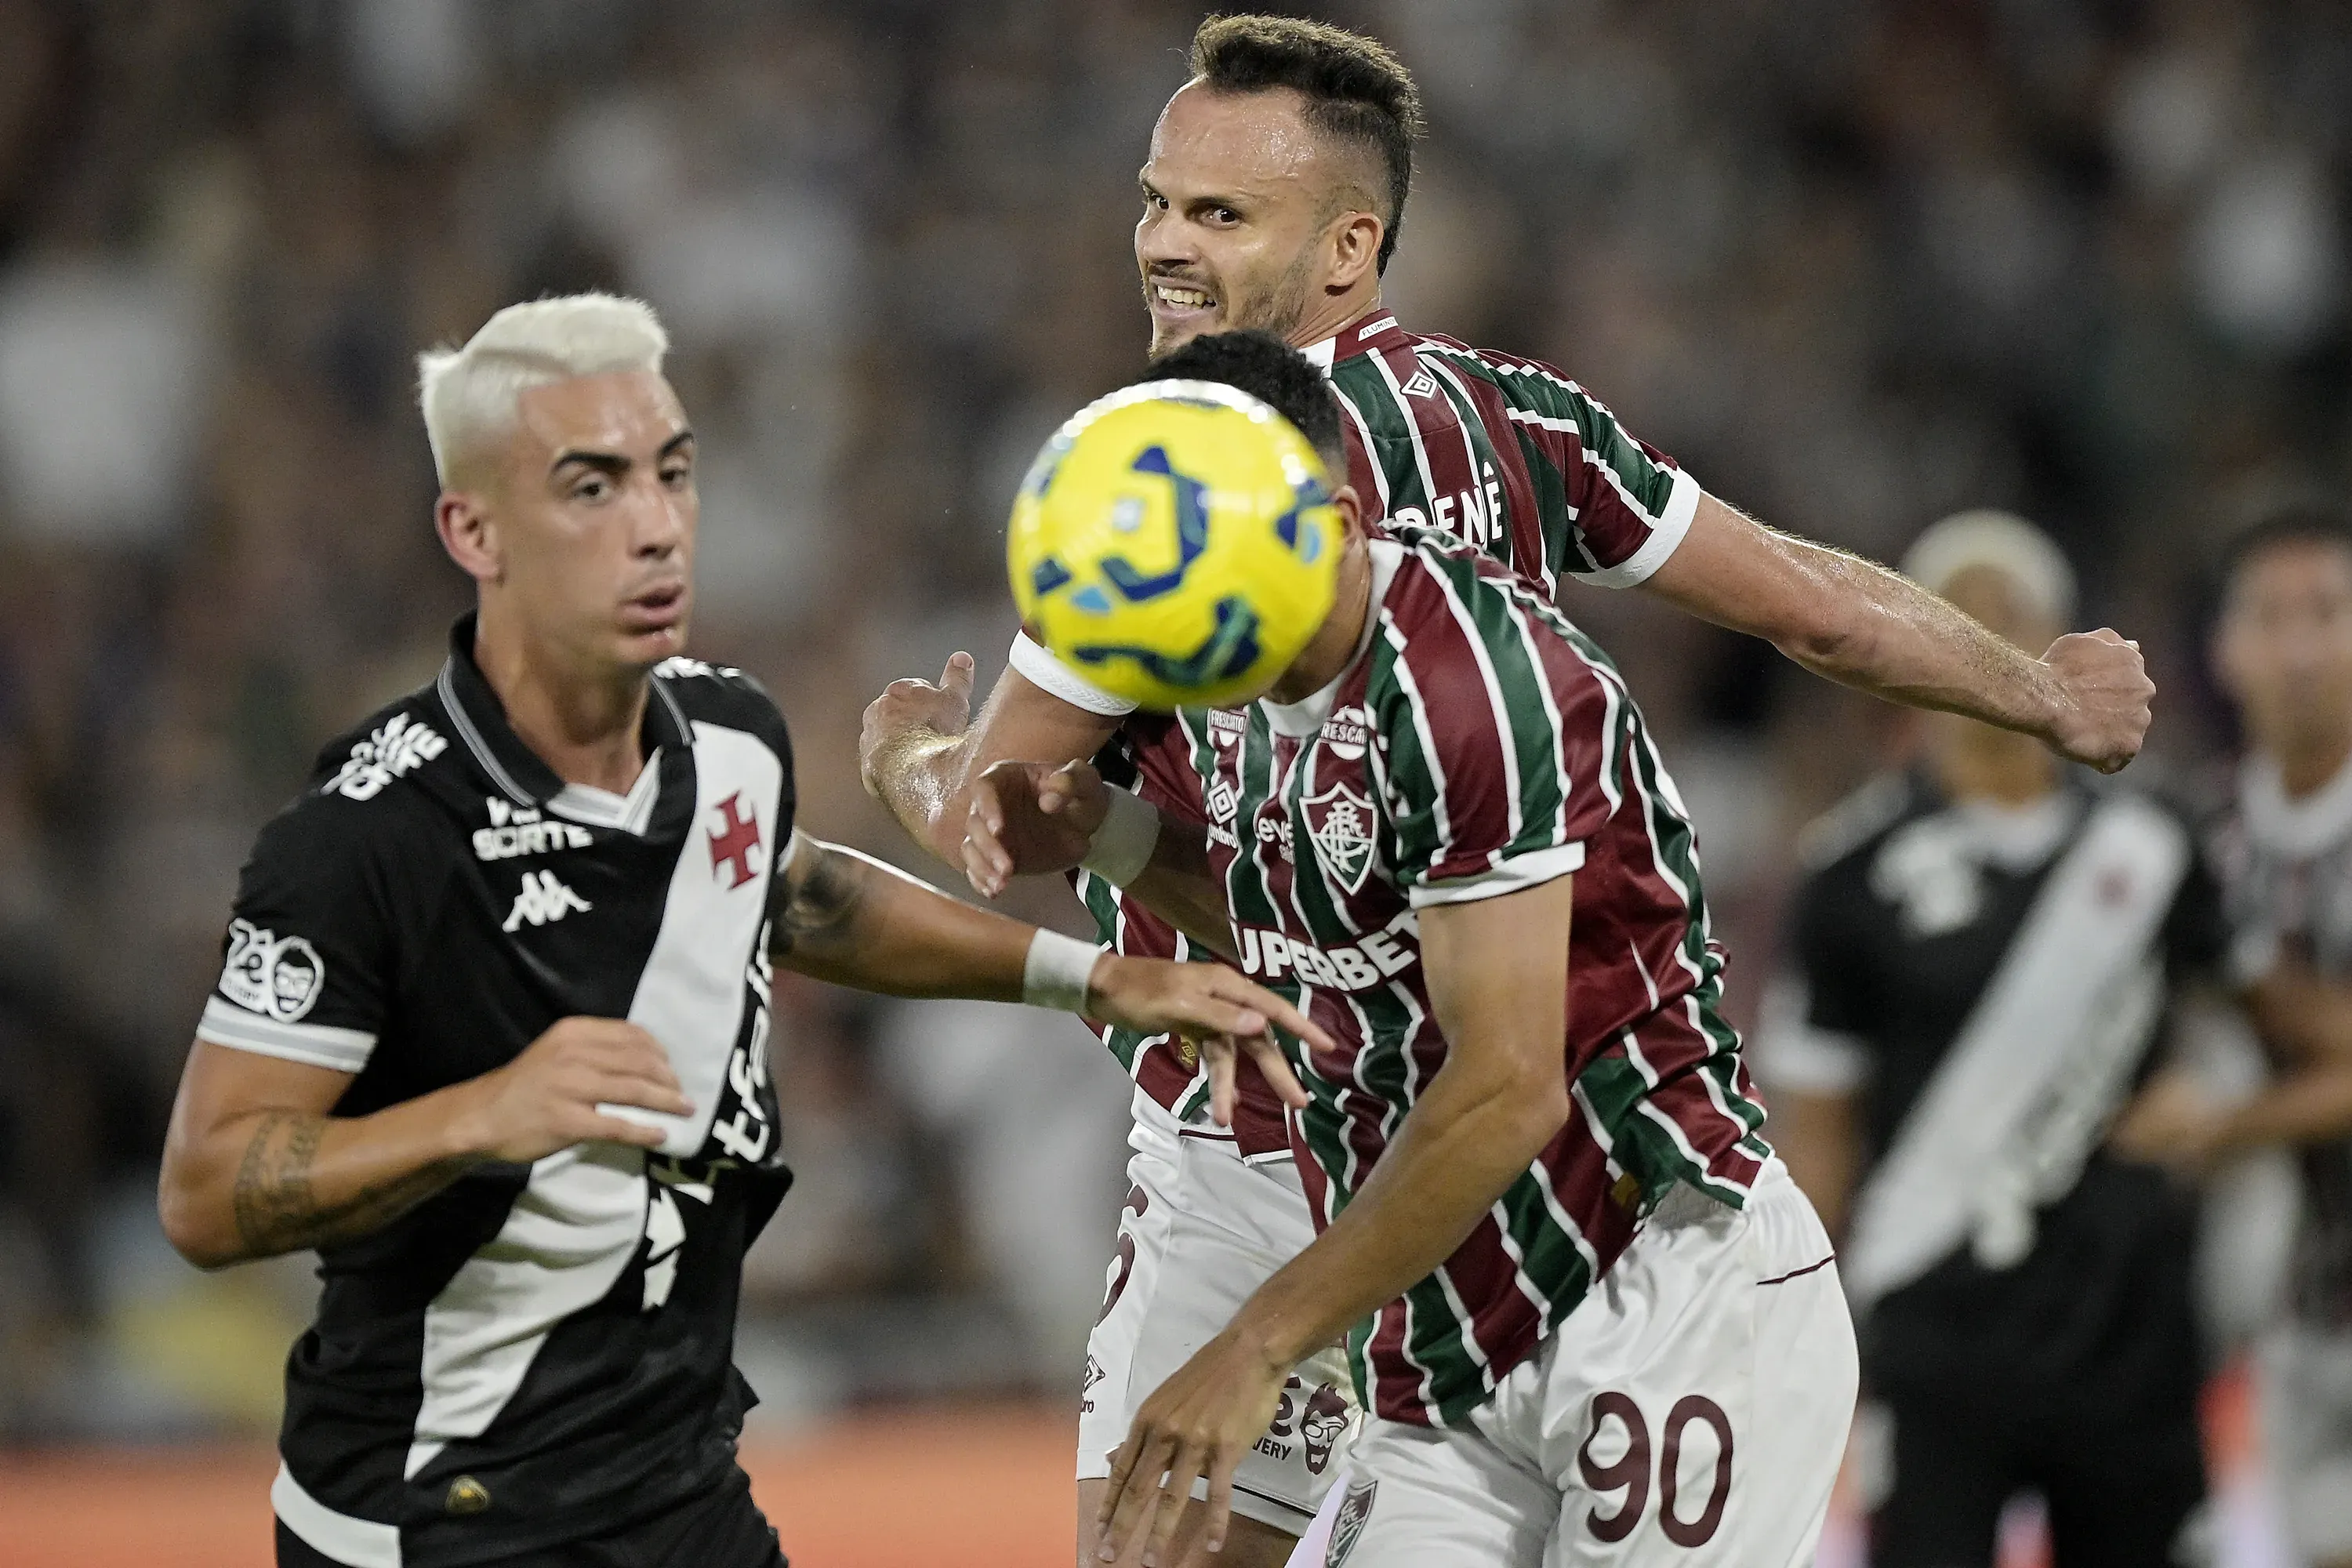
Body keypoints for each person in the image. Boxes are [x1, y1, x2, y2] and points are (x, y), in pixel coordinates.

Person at [858, 17, 2152, 1565]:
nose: (1162, 246)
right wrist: (2040, 690)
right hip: (1490, 1143)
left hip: (1296, 1149)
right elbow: (1812, 603)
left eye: (1218, 215)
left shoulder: (1177, 498)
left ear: (1350, 244)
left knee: (1170, 1552)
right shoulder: (1517, 419)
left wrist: (909, 758)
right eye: (1156, 201)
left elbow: (993, 814)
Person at [153, 294, 1325, 1568]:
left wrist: (1093, 976)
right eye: (591, 490)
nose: (654, 525)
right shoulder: (367, 836)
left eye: (672, 475)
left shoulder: (721, 737)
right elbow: (209, 1190)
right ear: (473, 530)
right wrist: (481, 1114)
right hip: (438, 1514)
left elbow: (798, 892)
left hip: (680, 1485)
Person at [964, 352, 1858, 1568]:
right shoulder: (1269, 691)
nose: (1170, 634)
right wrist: (1110, 832)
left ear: (1329, 527)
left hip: (1651, 1278)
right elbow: (1311, 934)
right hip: (1447, 1338)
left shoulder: (1461, 687)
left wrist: (1256, 1344)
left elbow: (1506, 1083)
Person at [1755, 511, 2226, 1568]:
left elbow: (2257, 1008)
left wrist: (2219, 1108)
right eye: (1951, 614)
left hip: (2130, 1323)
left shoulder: (2160, 843)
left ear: (2061, 637)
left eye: (2007, 615)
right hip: (1938, 1332)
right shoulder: (1849, 878)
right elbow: (1819, 1137)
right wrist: (1794, 1332)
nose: (1980, 635)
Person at [2124, 505, 2352, 1568]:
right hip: (2275, 1302)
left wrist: (2227, 1124)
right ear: (2222, 647)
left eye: (2329, 612)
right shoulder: (2189, 836)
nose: (2301, 647)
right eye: (2271, 615)